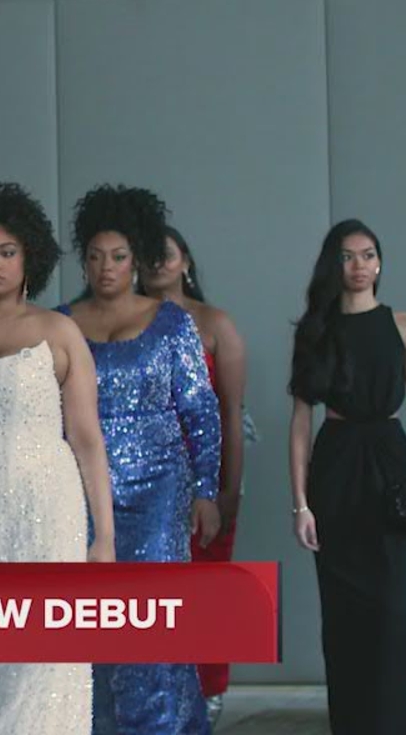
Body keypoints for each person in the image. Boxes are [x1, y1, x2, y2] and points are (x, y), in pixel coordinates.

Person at [0, 181, 117, 735]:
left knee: (40, 660)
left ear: (30, 258)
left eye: (7, 251)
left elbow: (86, 438)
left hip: (46, 508)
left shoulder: (57, 330)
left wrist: (104, 535)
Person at [57, 184, 220, 735]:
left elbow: (200, 409)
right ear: (84, 260)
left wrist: (207, 490)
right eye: (96, 256)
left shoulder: (171, 323)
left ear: (137, 260)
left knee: (149, 619)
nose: (107, 267)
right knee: (92, 620)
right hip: (82, 488)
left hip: (159, 488)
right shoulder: (61, 323)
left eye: (119, 256)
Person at [288, 219, 406, 735]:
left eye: (368, 254)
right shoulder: (316, 328)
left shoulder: (405, 325)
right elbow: (300, 423)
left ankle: (395, 725)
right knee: (342, 615)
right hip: (335, 466)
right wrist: (300, 503)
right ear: (333, 265)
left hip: (389, 463)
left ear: (380, 263)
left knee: (392, 607)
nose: (359, 265)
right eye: (347, 256)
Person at [141, 225, 248, 728]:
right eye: (147, 255)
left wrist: (229, 488)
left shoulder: (214, 322)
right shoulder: (127, 321)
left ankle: (210, 694)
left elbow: (231, 412)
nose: (157, 263)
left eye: (165, 254)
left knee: (206, 591)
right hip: (144, 477)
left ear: (185, 261)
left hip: (205, 475)